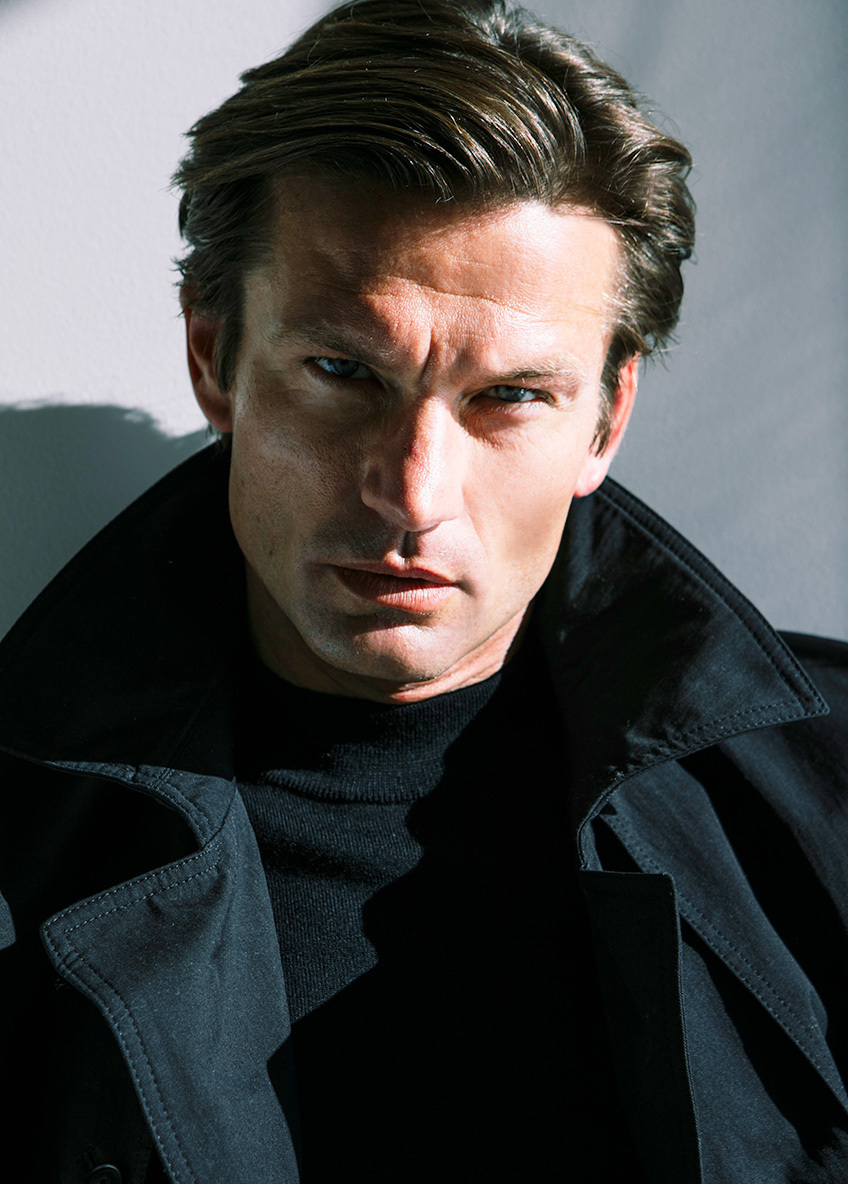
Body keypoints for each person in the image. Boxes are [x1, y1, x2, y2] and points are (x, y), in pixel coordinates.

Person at [1, 0, 846, 1180]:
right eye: (341, 371)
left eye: (509, 397)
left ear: (605, 418)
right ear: (212, 357)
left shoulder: (821, 788)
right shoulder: (19, 834)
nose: (411, 493)